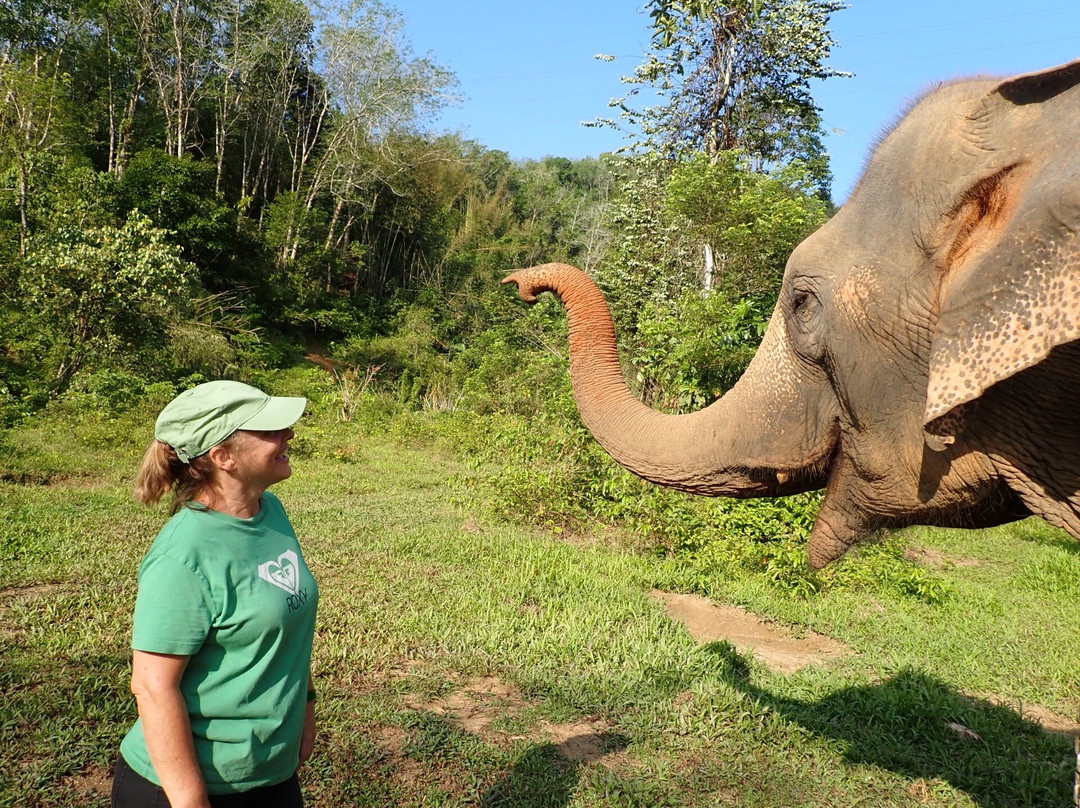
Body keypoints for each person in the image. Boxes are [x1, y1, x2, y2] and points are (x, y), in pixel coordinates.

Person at [112, 380, 319, 808]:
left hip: (269, 773)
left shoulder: (270, 513)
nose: (289, 435)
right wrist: (190, 801)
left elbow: (288, 625)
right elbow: (152, 686)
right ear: (223, 457)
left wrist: (306, 710)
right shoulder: (182, 555)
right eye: (270, 431)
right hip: (191, 787)